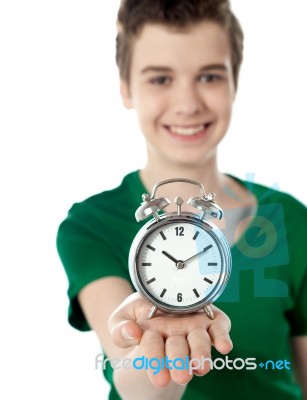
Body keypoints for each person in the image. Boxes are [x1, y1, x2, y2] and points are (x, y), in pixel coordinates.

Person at [56, 0, 307, 399]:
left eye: (209, 76)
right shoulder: (91, 225)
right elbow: (132, 378)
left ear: (234, 82)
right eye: (160, 79)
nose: (188, 103)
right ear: (125, 87)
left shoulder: (291, 221)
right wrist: (155, 347)